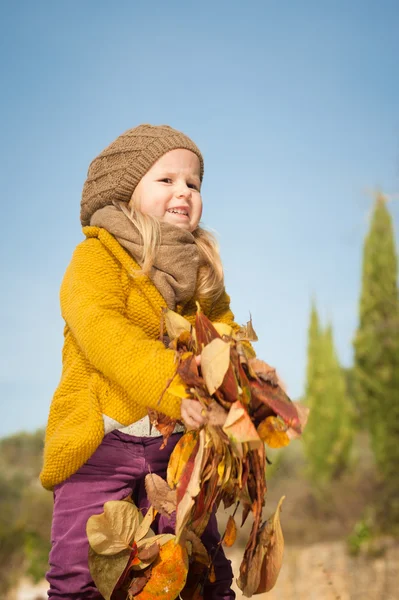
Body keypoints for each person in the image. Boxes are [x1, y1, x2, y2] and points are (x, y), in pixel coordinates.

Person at [41, 124, 244, 599]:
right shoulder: (96, 259)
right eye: (167, 180)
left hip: (175, 446)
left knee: (201, 568)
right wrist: (176, 386)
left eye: (193, 184)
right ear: (126, 193)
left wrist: (241, 382)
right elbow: (104, 333)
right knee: (79, 575)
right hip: (98, 446)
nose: (184, 192)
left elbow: (224, 336)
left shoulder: (199, 273)